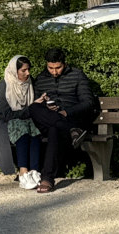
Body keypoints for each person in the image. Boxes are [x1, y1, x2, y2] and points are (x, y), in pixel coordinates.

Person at [28, 47, 98, 194]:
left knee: (55, 129)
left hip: (71, 119)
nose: (54, 72)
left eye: (58, 68)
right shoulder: (41, 79)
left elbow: (88, 102)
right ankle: (71, 130)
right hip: (55, 122)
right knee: (34, 107)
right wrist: (44, 104)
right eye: (50, 68)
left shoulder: (77, 75)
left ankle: (47, 179)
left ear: (64, 64)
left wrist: (66, 112)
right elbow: (38, 106)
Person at [0, 55, 44, 189]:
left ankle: (34, 172)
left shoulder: (31, 83)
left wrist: (42, 101)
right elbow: (7, 114)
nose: (28, 73)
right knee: (22, 128)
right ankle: (23, 173)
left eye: (28, 69)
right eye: (23, 71)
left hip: (26, 119)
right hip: (4, 121)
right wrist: (31, 108)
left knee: (34, 128)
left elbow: (34, 106)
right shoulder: (5, 84)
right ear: (15, 71)